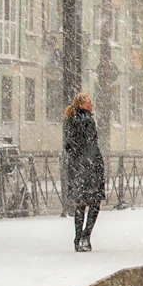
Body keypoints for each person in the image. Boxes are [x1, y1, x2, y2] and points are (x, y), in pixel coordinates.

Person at [64, 93, 104, 252]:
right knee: (94, 203)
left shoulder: (69, 120)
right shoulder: (87, 120)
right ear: (81, 105)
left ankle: (78, 238)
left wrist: (77, 161)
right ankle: (86, 237)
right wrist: (92, 162)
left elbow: (68, 146)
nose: (91, 105)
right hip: (91, 167)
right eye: (88, 102)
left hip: (77, 168)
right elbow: (91, 144)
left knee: (80, 204)